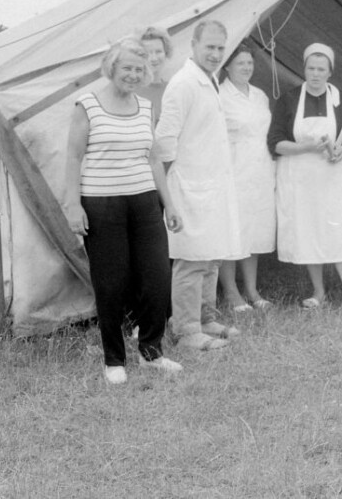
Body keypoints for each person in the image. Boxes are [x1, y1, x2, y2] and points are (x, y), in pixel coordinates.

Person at [64, 37, 184, 384]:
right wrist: (73, 205)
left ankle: (151, 352)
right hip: (102, 204)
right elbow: (73, 157)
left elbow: (153, 157)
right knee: (111, 284)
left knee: (157, 278)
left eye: (139, 69)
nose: (132, 74)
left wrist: (169, 204)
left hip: (145, 200)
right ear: (112, 68)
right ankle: (114, 360)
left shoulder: (146, 107)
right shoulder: (87, 105)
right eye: (126, 68)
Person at [155, 20, 242, 350]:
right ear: (193, 45)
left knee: (211, 256)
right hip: (189, 186)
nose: (216, 54)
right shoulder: (182, 84)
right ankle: (187, 329)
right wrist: (168, 199)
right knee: (191, 260)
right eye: (210, 47)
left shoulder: (211, 81)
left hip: (213, 185)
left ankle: (206, 318)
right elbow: (164, 143)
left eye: (221, 48)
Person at [268, 42, 342, 314]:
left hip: (334, 176)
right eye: (311, 68)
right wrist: (307, 148)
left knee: (339, 230)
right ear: (304, 69)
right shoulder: (288, 99)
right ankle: (319, 292)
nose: (315, 74)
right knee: (309, 231)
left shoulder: (341, 99)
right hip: (301, 178)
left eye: (321, 69)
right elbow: (274, 142)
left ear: (330, 72)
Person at [218, 43, 276, 312]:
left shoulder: (260, 96)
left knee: (254, 230)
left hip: (260, 169)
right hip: (233, 170)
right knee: (232, 232)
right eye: (240, 63)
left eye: (249, 63)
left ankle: (251, 289)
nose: (246, 68)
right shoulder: (219, 95)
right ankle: (231, 292)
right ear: (227, 66)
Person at [136, 26, 173, 120]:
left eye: (158, 51)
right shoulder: (130, 91)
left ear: (166, 52)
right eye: (147, 53)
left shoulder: (172, 89)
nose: (154, 58)